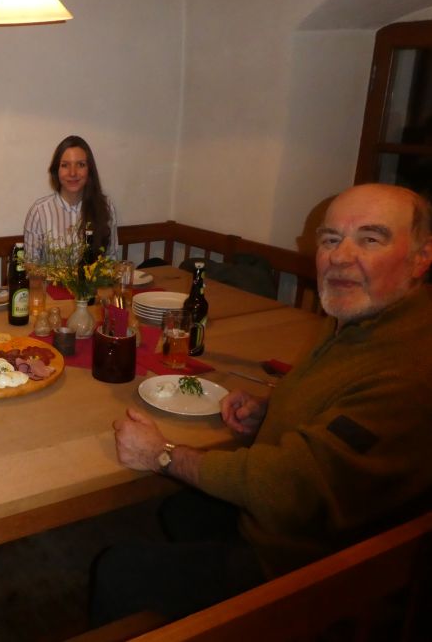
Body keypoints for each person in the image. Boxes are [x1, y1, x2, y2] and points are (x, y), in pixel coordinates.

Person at [90, 183, 432, 626]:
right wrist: (272, 407)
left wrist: (162, 454)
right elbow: (337, 399)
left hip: (312, 569)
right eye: (331, 239)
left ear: (422, 256)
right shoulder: (366, 318)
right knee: (181, 510)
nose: (342, 256)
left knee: (117, 570)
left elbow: (288, 488)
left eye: (371, 238)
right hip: (309, 527)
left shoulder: (408, 369)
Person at [24, 135, 119, 260]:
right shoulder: (39, 212)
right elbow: (31, 268)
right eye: (65, 165)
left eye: (80, 164)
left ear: (89, 170)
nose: (72, 173)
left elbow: (111, 259)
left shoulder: (105, 207)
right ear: (56, 170)